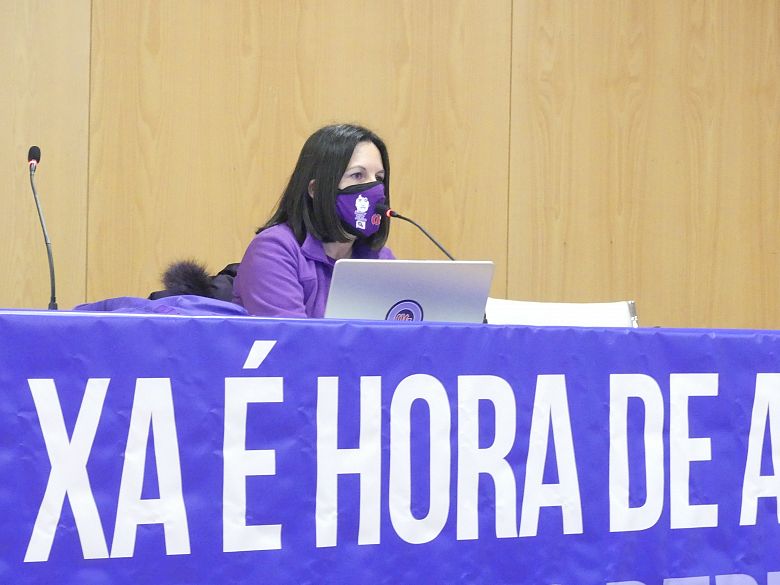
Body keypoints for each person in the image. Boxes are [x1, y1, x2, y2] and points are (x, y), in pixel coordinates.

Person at [233, 123, 395, 317]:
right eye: (357, 175)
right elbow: (290, 335)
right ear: (315, 189)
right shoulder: (274, 250)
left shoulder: (380, 259)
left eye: (379, 178)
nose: (374, 188)